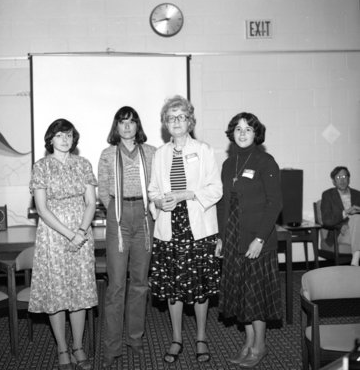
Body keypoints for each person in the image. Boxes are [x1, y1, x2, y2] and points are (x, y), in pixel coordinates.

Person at [148, 95, 222, 364]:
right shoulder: (159, 154)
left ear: (190, 121)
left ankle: (201, 337)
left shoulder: (204, 149)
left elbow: (216, 189)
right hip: (169, 226)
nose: (176, 121)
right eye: (171, 117)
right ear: (165, 124)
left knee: (200, 286)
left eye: (181, 116)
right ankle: (177, 338)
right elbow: (153, 191)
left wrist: (185, 195)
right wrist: (158, 201)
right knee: (172, 287)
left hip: (198, 226)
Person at [29, 118, 98, 370]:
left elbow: (90, 202)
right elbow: (42, 209)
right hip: (53, 235)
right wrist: (70, 234)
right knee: (56, 293)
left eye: (69, 135)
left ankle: (78, 346)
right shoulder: (41, 167)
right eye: (59, 135)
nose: (65, 139)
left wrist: (81, 231)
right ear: (50, 139)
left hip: (82, 232)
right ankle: (62, 347)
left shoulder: (83, 164)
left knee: (79, 291)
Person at [216, 112, 282, 369]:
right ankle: (248, 342)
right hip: (232, 238)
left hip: (257, 240)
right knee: (242, 294)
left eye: (248, 129)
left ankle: (260, 346)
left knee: (256, 295)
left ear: (257, 134)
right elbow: (223, 206)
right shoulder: (227, 164)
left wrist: (259, 239)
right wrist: (222, 239)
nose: (242, 133)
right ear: (232, 133)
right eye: (238, 129)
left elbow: (275, 203)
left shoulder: (266, 161)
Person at [97, 106, 156, 368]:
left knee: (140, 283)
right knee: (116, 285)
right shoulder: (108, 154)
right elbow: (102, 190)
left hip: (144, 218)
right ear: (116, 127)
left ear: (137, 125)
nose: (127, 126)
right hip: (118, 218)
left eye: (131, 122)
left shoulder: (150, 152)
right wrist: (116, 211)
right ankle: (112, 347)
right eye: (122, 122)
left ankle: (135, 339)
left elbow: (156, 185)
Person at [321, 166, 360, 266]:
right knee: (356, 218)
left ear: (349, 179)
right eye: (338, 177)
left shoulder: (357, 194)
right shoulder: (327, 195)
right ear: (334, 181)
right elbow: (327, 221)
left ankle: (355, 260)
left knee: (356, 218)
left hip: (356, 230)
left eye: (344, 176)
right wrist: (346, 213)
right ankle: (355, 262)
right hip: (340, 233)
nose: (342, 180)